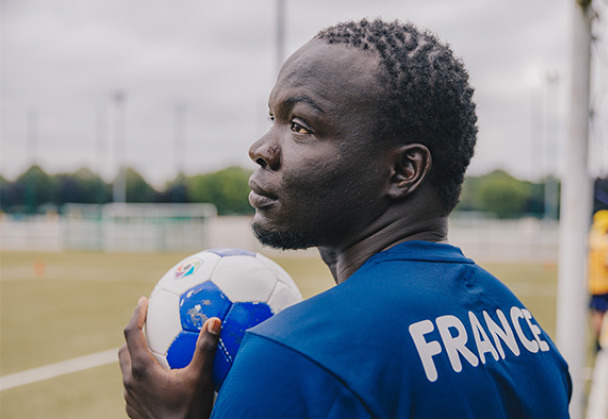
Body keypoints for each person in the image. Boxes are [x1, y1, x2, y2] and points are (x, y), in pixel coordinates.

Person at [119, 19, 571, 418]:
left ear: (403, 171)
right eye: (272, 119)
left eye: (300, 126)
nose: (261, 148)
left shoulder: (295, 359)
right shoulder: (529, 338)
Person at [587, 209, 608, 353]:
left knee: (595, 314)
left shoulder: (592, 238)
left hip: (590, 282)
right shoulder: (606, 242)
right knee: (601, 314)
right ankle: (598, 341)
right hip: (603, 284)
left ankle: (596, 339)